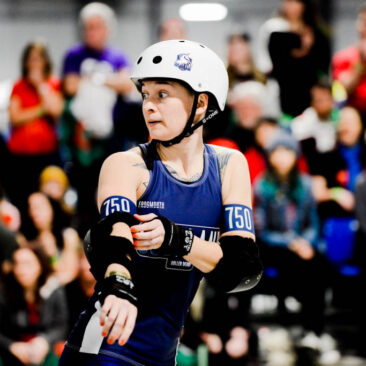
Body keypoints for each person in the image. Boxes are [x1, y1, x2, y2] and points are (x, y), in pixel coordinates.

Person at [59, 39, 263, 365]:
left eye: (162, 94)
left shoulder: (229, 165)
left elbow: (242, 271)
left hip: (163, 355)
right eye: (145, 95)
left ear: (201, 103)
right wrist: (118, 283)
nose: (148, 106)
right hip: (107, 344)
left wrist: (175, 238)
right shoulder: (127, 164)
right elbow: (111, 233)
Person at [253, 132, 337, 362]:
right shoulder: (261, 187)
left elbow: (313, 223)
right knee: (302, 267)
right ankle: (307, 330)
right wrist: (291, 241)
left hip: (303, 246)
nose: (282, 157)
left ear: (295, 155)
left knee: (319, 265)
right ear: (270, 156)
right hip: (275, 247)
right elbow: (262, 230)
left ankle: (314, 332)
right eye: (277, 152)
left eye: (287, 151)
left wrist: (305, 243)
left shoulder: (306, 184)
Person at [61, 2, 140, 236]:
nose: (92, 32)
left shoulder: (116, 56)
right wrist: (107, 80)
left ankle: (112, 232)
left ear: (107, 29)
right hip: (83, 136)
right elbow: (70, 86)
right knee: (84, 189)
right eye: (88, 27)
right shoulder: (74, 55)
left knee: (110, 183)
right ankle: (85, 235)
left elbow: (127, 85)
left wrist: (93, 80)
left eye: (96, 26)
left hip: (112, 136)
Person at [5, 41, 63, 217]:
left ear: (45, 62)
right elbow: (15, 117)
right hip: (20, 156)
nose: (34, 64)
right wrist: (40, 109)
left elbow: (56, 110)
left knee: (48, 197)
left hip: (45, 154)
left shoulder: (52, 84)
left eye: (38, 59)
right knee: (21, 200)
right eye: (31, 60)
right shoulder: (19, 86)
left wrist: (40, 86)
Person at [257, 0, 331, 118]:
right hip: (283, 97)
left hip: (311, 99)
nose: (290, 6)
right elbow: (276, 67)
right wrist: (302, 50)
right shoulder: (275, 31)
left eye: (294, 2)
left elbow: (323, 67)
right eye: (287, 1)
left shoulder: (317, 35)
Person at [0, 246, 68, 366]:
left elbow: (61, 325)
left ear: (40, 265)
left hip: (43, 351)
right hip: (11, 350)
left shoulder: (53, 289)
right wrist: (11, 346)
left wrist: (45, 341)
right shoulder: (5, 291)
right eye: (17, 263)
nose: (20, 270)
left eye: (27, 264)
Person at [332, 3, 366, 123]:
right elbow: (342, 90)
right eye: (363, 21)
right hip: (354, 114)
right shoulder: (343, 57)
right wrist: (361, 62)